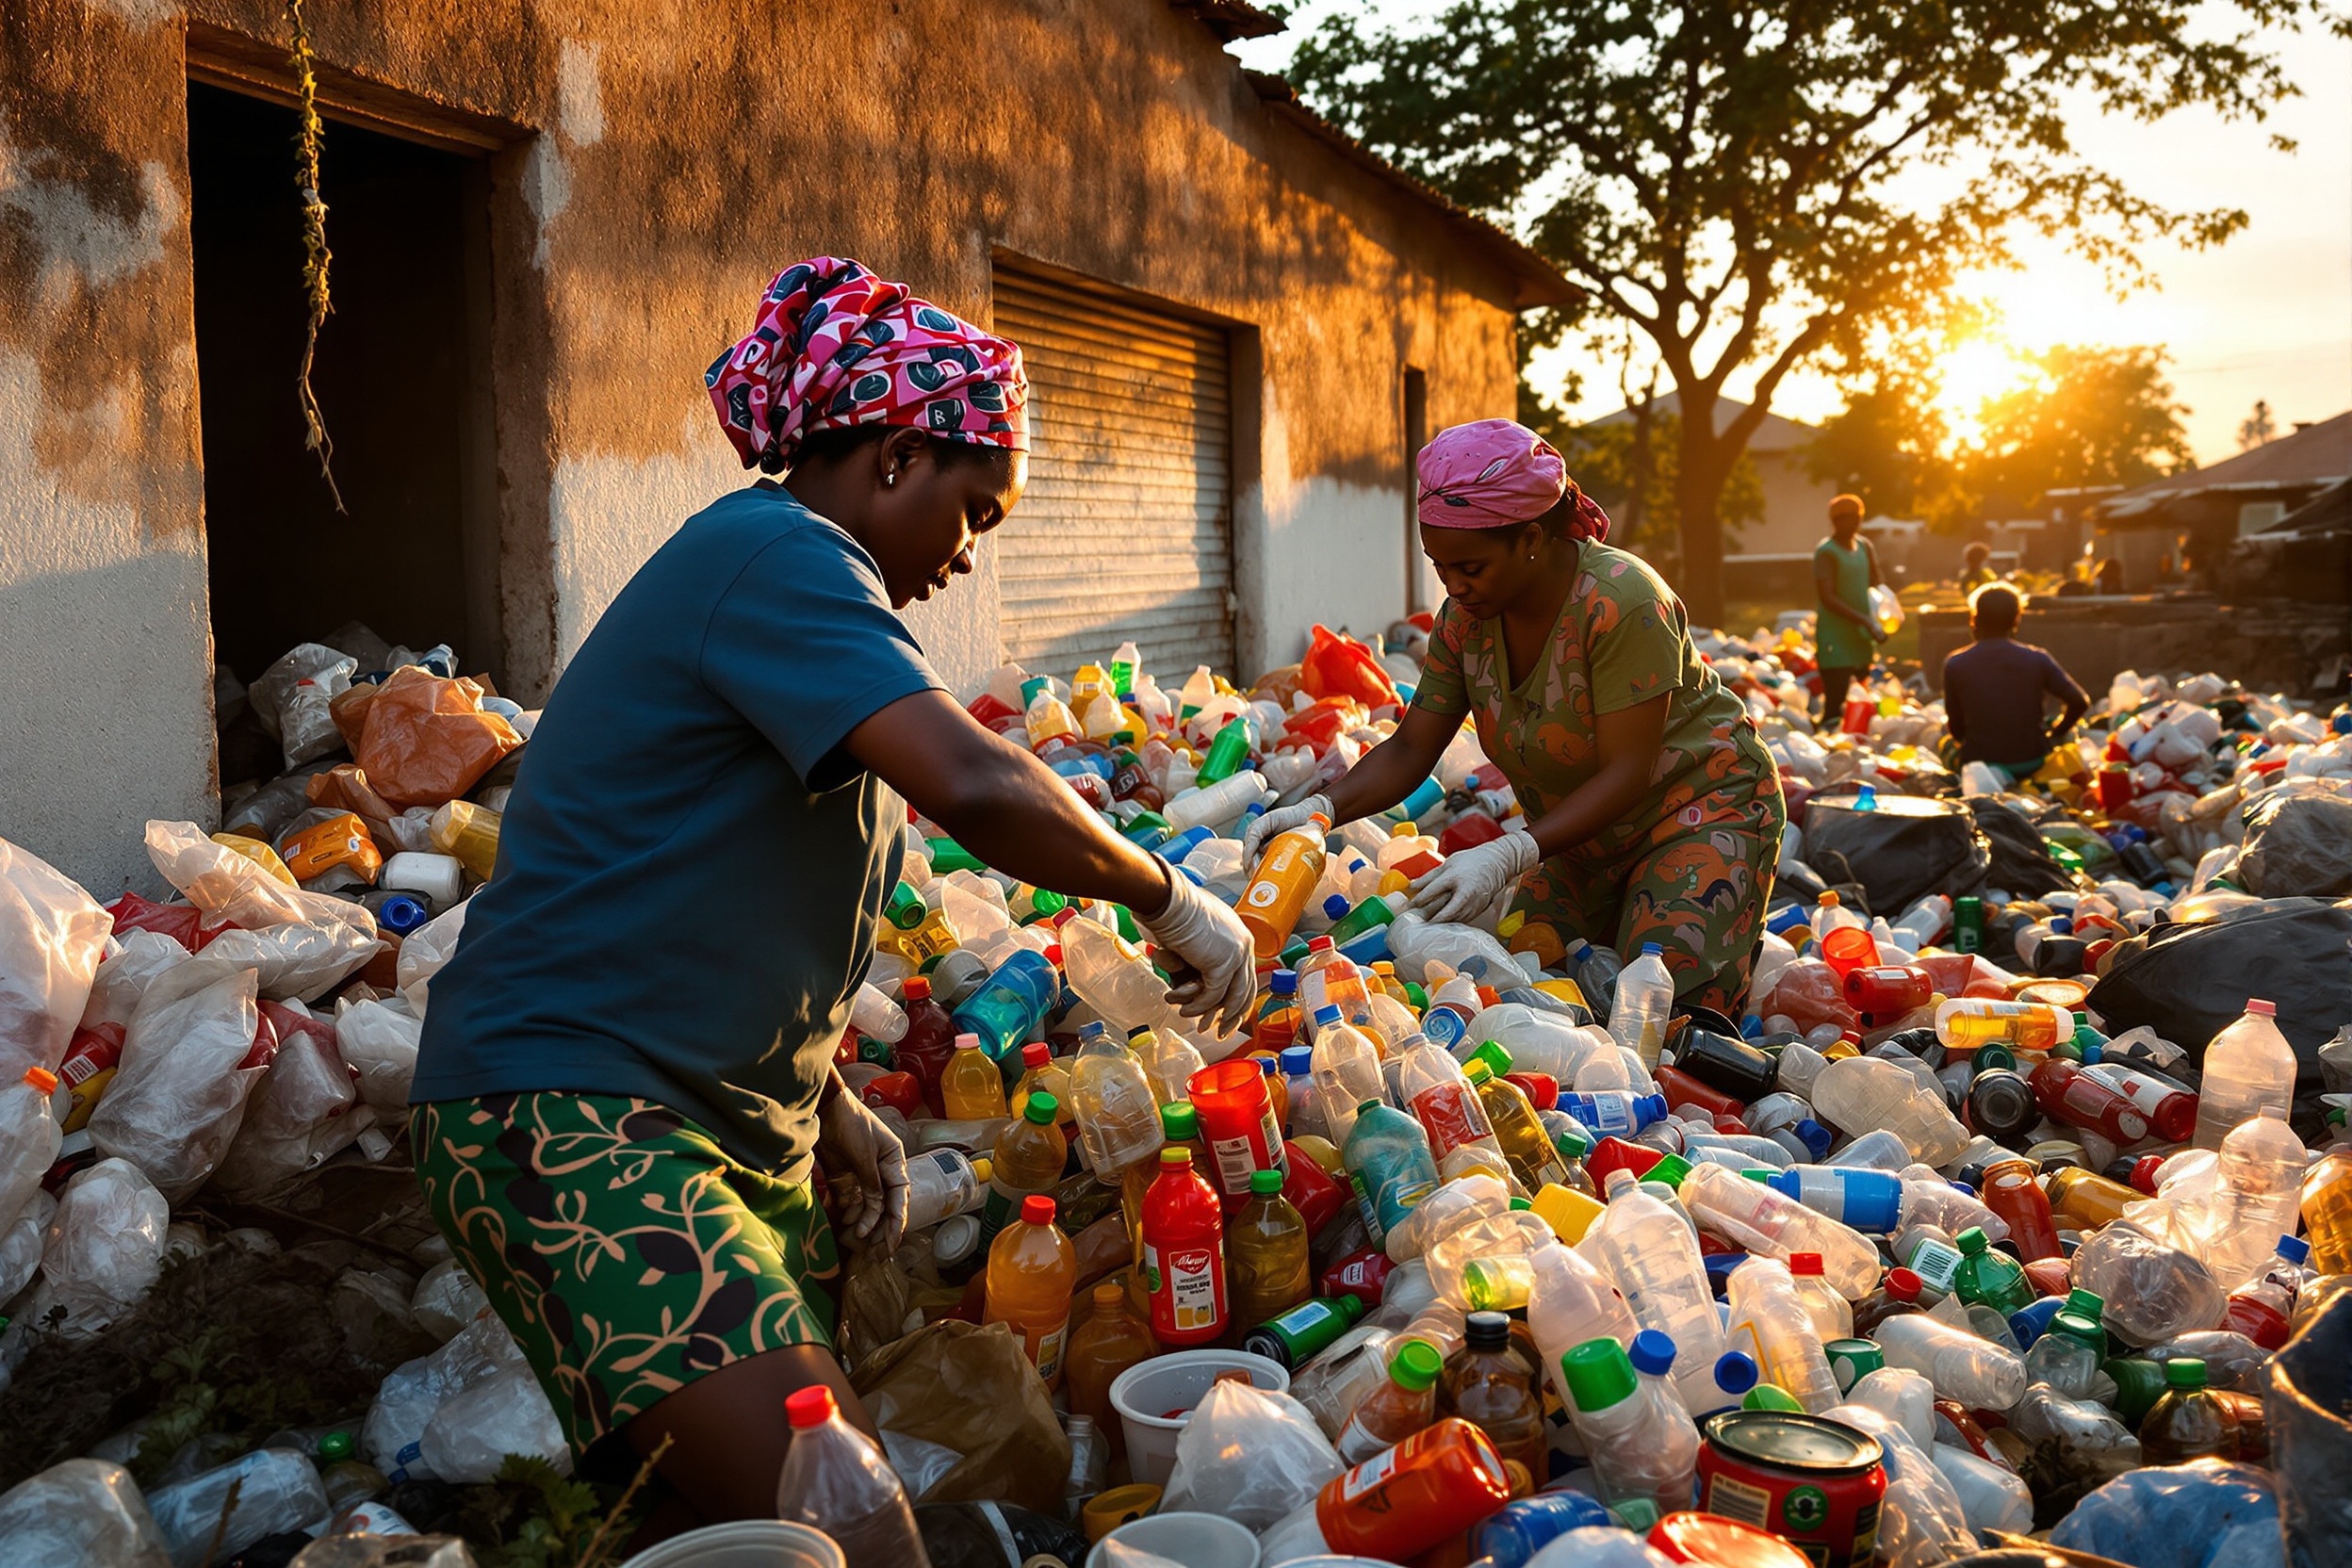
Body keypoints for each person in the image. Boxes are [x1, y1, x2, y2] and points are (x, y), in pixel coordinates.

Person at [406, 257, 1255, 1532]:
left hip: (684, 1108)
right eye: (976, 509)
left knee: (740, 1524)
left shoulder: (801, 605)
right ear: (898, 457)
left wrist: (830, 1095)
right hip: (573, 1114)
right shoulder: (771, 554)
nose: (970, 555)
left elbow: (702, 880)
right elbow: (975, 781)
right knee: (846, 1529)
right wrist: (1168, 896)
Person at [1244, 418, 1786, 1014]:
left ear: (1530, 537)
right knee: (1515, 980)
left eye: (1470, 568)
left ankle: (1719, 941)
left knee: (1658, 1011)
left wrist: (1509, 853)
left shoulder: (1621, 601)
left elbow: (1627, 771)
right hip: (1581, 840)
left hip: (1696, 810)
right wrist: (1319, 811)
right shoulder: (1463, 623)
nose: (1454, 586)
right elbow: (1409, 749)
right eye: (1440, 567)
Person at [1938, 582, 2090, 783]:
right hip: (2033, 761)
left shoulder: (1955, 663)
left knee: (1944, 740)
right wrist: (2054, 735)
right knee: (2062, 730)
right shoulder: (2037, 658)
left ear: (1975, 619)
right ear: (2016, 619)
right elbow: (2079, 701)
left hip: (1981, 764)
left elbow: (1956, 728)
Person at [1813, 494, 1886, 725]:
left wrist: (1884, 614)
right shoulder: (1827, 552)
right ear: (1835, 521)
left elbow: (1876, 583)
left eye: (1856, 518)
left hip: (1861, 638)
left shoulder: (1864, 546)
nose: (1853, 523)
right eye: (1846, 518)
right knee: (1836, 703)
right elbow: (1828, 597)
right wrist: (1864, 620)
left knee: (1863, 701)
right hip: (1836, 638)